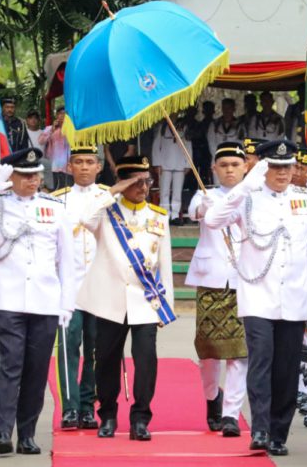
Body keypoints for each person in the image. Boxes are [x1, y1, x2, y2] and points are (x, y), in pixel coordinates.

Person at [204, 140, 307, 456]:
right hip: (258, 295)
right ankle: (259, 427)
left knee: (286, 369)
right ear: (263, 168)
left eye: (287, 167)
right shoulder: (248, 198)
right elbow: (213, 219)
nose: (282, 173)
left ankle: (277, 433)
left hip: (296, 297)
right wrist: (245, 184)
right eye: (275, 166)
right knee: (260, 361)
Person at [0, 148, 75, 455]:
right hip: (8, 299)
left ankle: (28, 434)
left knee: (35, 370)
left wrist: (66, 304)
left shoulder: (55, 208)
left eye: (35, 175)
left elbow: (67, 260)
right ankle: (3, 431)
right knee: (10, 366)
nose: (32, 181)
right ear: (12, 178)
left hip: (45, 301)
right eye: (25, 176)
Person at [76, 156, 174, 442]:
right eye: (137, 182)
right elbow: (85, 217)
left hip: (145, 301)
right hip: (110, 301)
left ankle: (141, 418)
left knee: (146, 362)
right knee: (105, 361)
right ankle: (107, 416)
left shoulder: (158, 216)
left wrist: (162, 307)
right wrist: (113, 191)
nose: (144, 187)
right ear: (124, 182)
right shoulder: (107, 212)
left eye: (147, 181)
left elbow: (164, 264)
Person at [187, 142, 249, 437]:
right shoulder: (206, 194)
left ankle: (231, 415)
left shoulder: (253, 197)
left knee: (239, 353)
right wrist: (207, 208)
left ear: (245, 166)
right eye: (223, 165)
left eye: (235, 165)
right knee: (209, 354)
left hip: (244, 281)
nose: (229, 170)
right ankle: (213, 400)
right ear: (214, 168)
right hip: (212, 281)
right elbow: (195, 212)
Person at [51, 144, 107, 430]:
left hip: (100, 286)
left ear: (99, 166)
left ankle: (88, 406)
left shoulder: (110, 198)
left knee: (97, 350)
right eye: (78, 162)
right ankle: (70, 407)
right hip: (68, 288)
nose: (84, 167)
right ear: (68, 167)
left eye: (90, 162)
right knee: (68, 347)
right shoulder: (56, 200)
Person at [152, 118, 192, 225]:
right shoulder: (162, 127)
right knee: (164, 192)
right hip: (164, 164)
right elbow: (156, 145)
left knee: (177, 193)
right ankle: (164, 215)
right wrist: (156, 163)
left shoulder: (184, 126)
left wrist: (188, 163)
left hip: (180, 163)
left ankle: (175, 215)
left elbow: (188, 145)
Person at [39, 107, 72, 190]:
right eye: (60, 113)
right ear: (56, 115)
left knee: (67, 192)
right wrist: (52, 130)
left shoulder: (72, 129)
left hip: (68, 168)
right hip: (53, 168)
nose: (62, 116)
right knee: (53, 192)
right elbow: (41, 141)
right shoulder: (49, 128)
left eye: (65, 114)